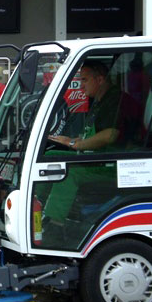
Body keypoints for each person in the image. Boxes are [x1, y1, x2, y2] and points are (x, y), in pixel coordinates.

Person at [41, 60, 123, 237]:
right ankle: (36, 208)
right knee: (49, 157)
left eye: (85, 80)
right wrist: (71, 140)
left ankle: (55, 226)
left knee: (69, 173)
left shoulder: (114, 99)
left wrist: (76, 144)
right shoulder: (98, 101)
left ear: (100, 79)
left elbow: (110, 135)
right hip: (97, 158)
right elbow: (93, 135)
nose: (81, 85)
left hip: (111, 164)